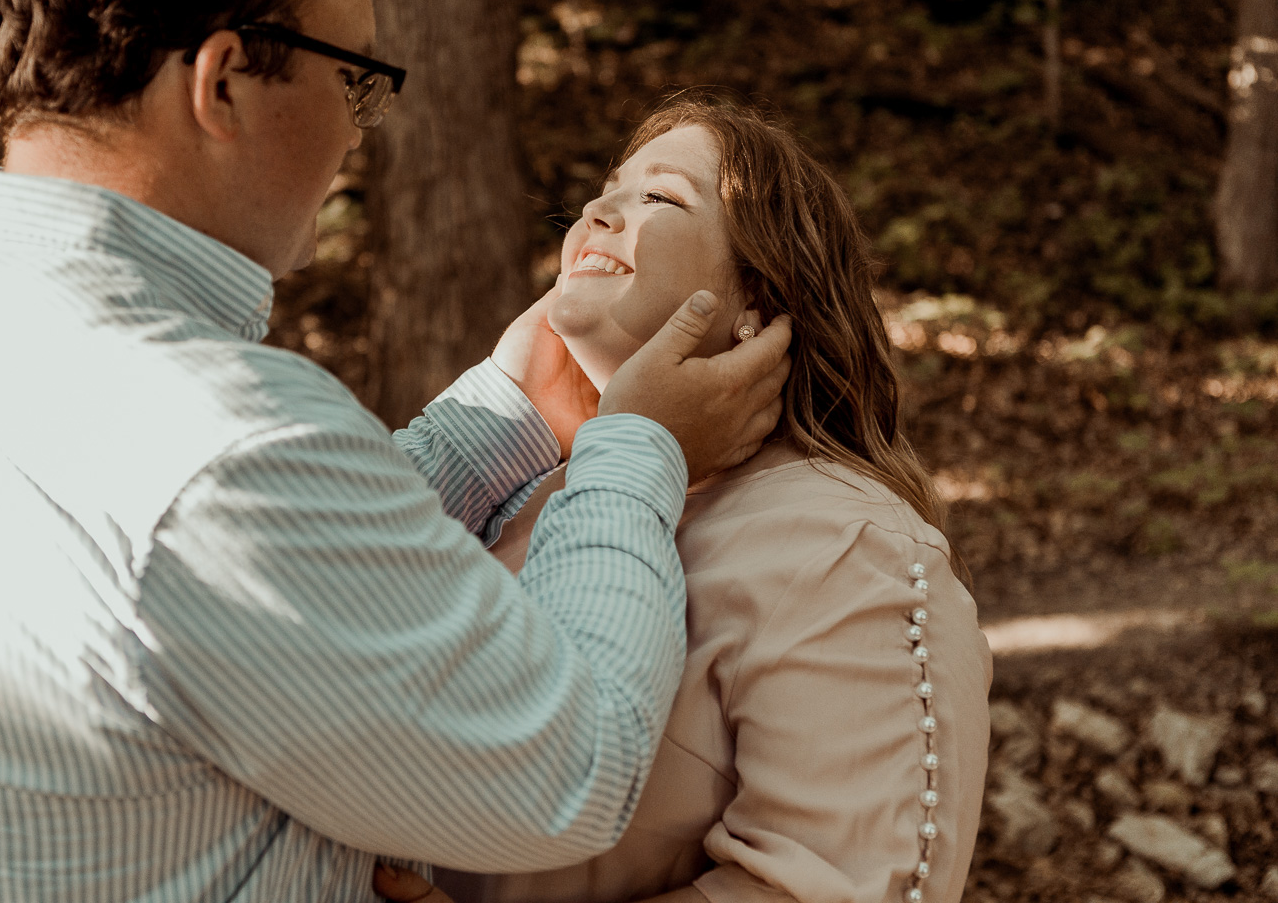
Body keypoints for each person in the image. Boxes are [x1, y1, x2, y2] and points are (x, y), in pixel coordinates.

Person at [0, 0, 795, 900]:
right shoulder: (216, 437)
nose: (361, 130)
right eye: (355, 76)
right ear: (223, 83)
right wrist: (636, 450)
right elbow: (571, 771)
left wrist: (506, 413)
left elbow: (264, 594)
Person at [380, 97, 992, 903]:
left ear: (759, 303)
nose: (597, 210)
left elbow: (829, 886)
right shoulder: (532, 495)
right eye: (605, 191)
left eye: (659, 197)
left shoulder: (850, 547)